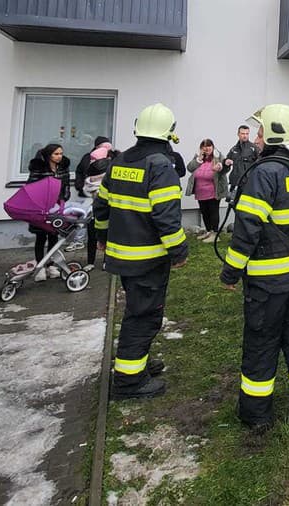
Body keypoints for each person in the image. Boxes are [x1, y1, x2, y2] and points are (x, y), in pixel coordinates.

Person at [220, 104, 289, 439]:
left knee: (261, 344)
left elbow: (247, 228)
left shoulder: (265, 172)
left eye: (262, 131)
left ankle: (256, 415)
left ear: (275, 133)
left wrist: (230, 272)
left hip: (268, 281)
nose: (258, 137)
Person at [94, 103, 188, 400]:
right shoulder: (160, 165)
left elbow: (101, 204)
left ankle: (139, 364)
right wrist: (179, 251)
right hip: (147, 258)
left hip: (122, 254)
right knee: (143, 316)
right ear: (169, 132)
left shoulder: (120, 160)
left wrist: (101, 236)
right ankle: (129, 381)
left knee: (137, 311)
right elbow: (166, 218)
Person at [27, 143, 71, 282]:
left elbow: (66, 185)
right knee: (41, 237)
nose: (59, 157)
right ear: (49, 155)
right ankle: (40, 267)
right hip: (41, 207)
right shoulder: (39, 168)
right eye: (56, 154)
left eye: (61, 154)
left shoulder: (63, 168)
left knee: (54, 236)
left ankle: (51, 265)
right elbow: (31, 186)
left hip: (56, 206)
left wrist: (64, 198)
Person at [82, 142, 118, 271]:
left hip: (101, 210)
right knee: (93, 236)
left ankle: (105, 261)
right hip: (95, 211)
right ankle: (92, 261)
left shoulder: (108, 171)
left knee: (104, 235)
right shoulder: (96, 170)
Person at [187, 139, 226, 243]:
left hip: (213, 191)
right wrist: (199, 159)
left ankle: (215, 234)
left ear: (213, 147)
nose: (206, 148)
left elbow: (226, 167)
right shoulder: (198, 158)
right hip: (200, 191)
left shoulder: (218, 157)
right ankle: (209, 231)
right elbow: (190, 168)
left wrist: (221, 166)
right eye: (204, 147)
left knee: (213, 212)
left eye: (209, 146)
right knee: (204, 212)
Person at [225, 124, 260, 199]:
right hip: (235, 183)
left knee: (245, 206)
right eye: (243, 133)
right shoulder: (234, 149)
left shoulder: (254, 148)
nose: (245, 136)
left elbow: (260, 162)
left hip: (247, 183)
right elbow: (226, 161)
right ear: (238, 134)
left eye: (247, 134)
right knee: (233, 204)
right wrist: (226, 162)